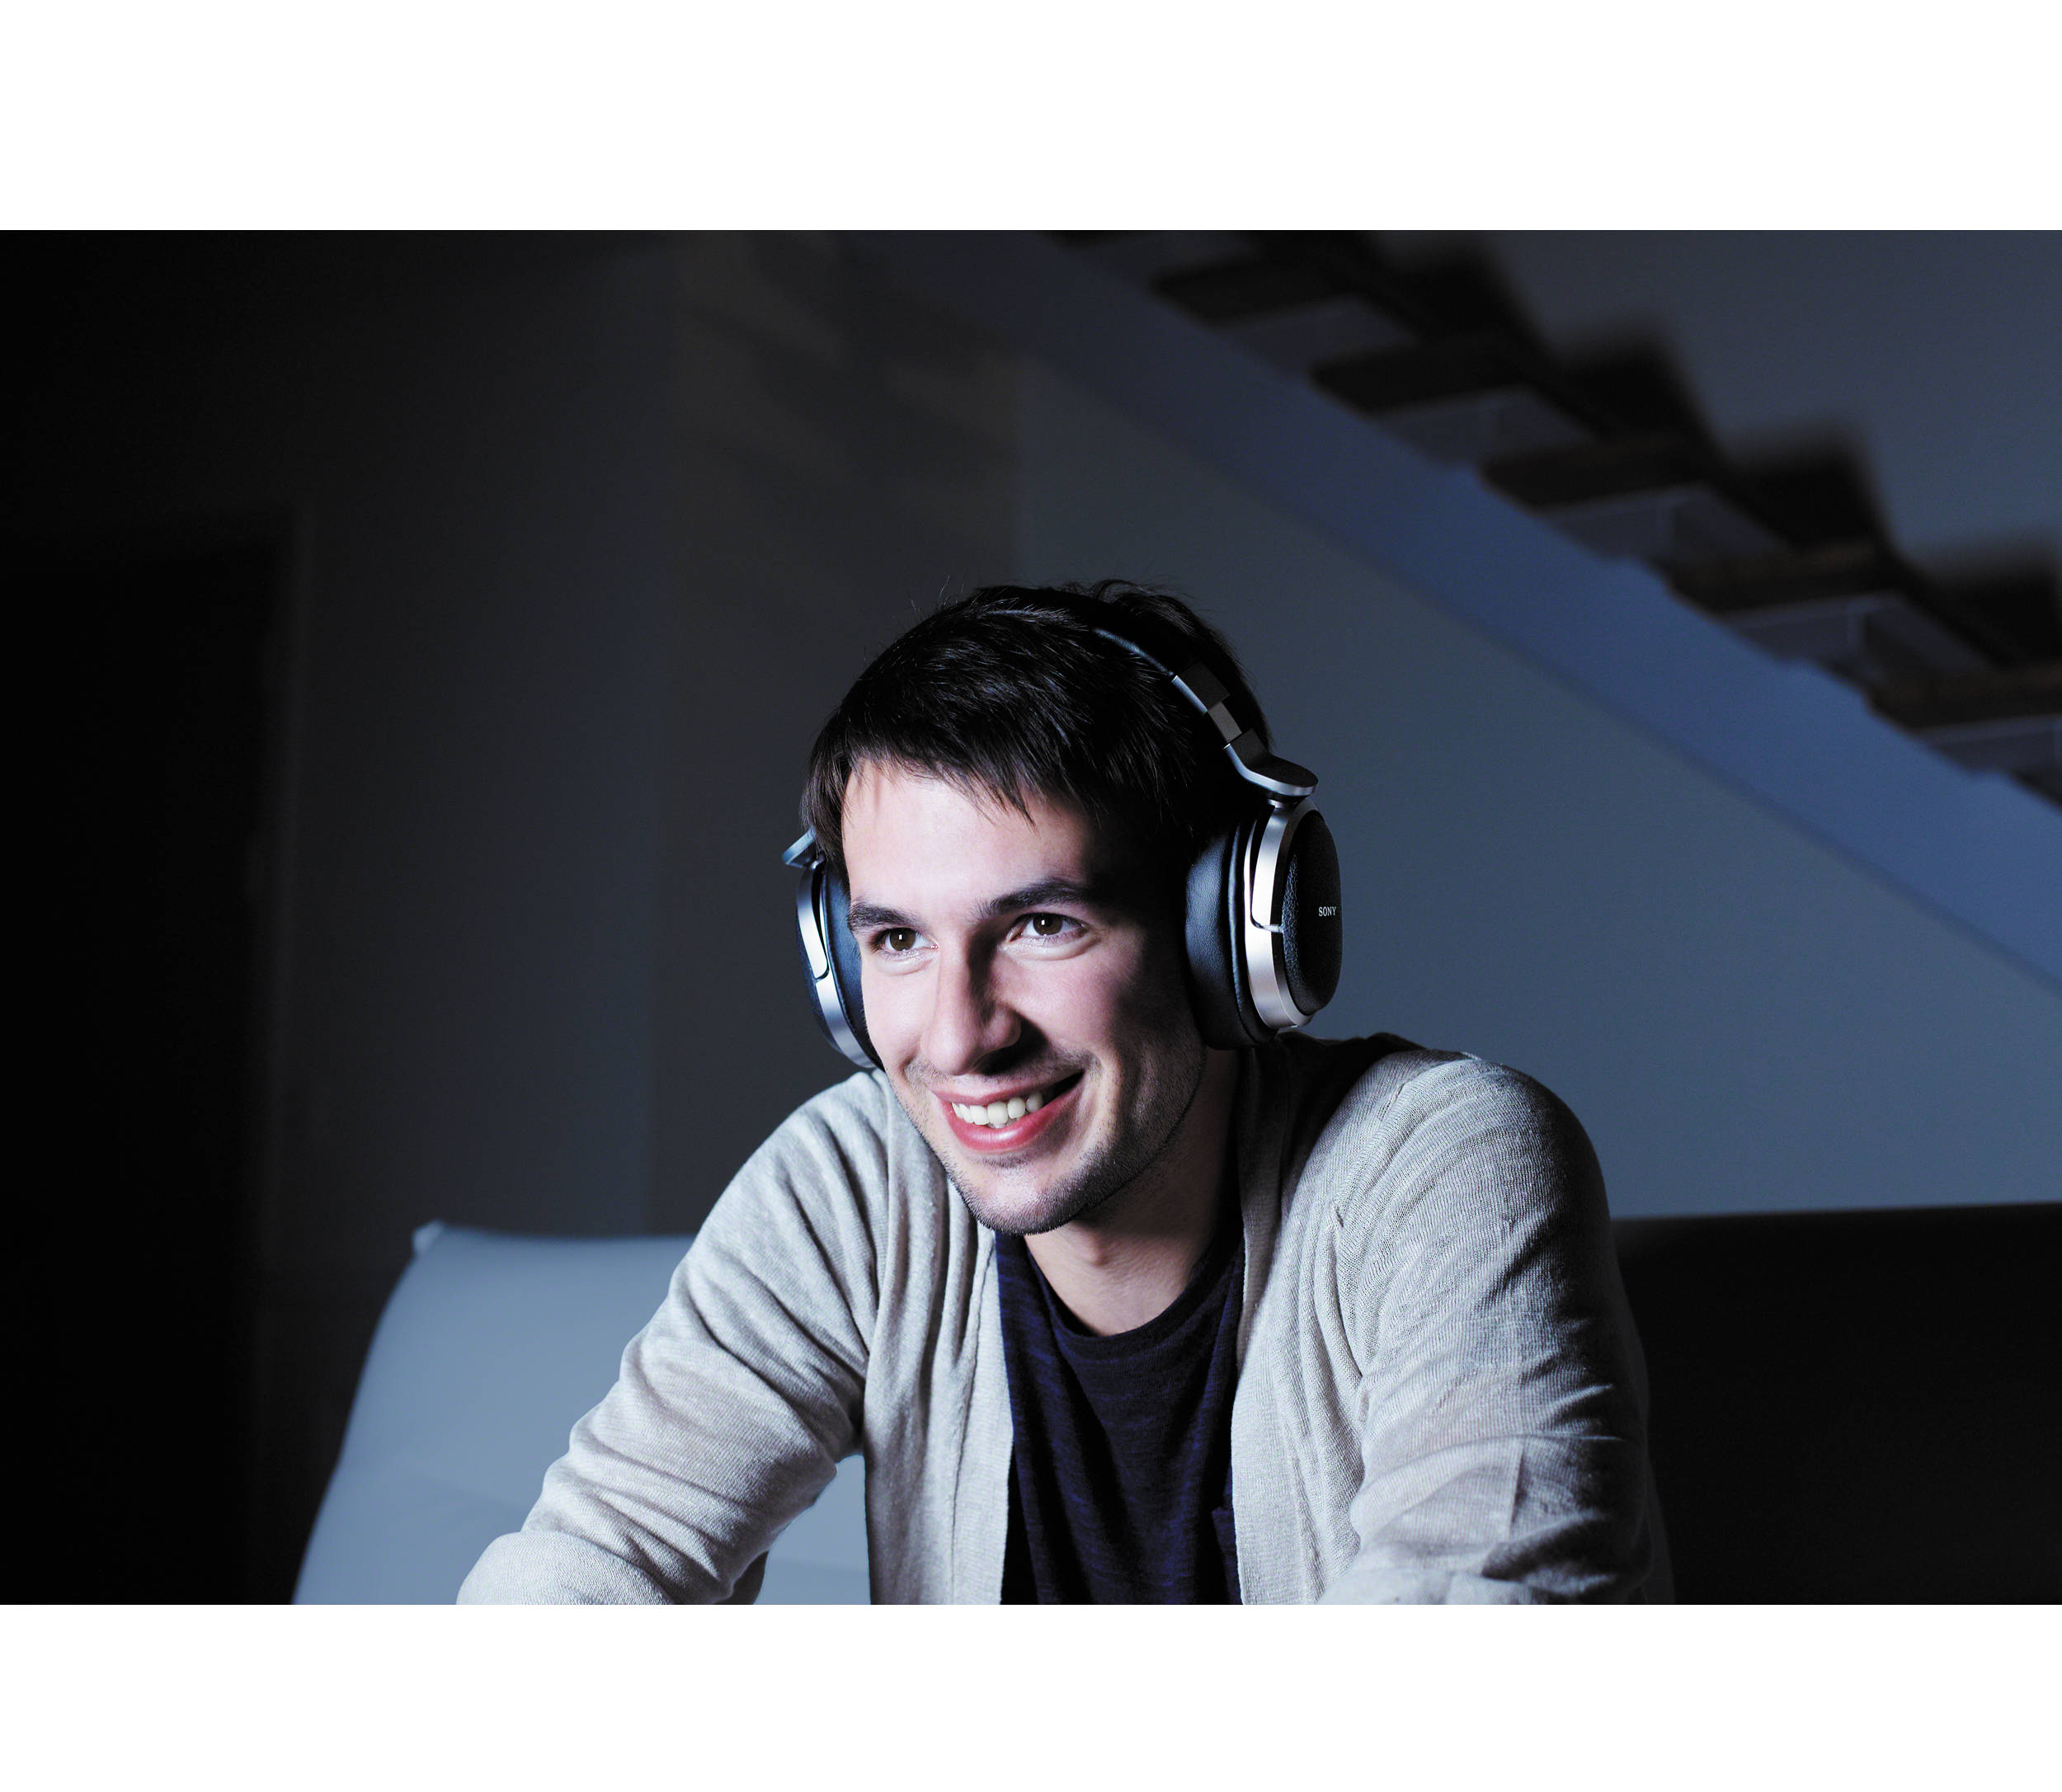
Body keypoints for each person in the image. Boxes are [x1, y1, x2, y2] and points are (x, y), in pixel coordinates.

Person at [459, 582, 1665, 1604]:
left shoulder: (1440, 1169)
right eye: (897, 941)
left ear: (1226, 933)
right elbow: (592, 1562)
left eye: (1042, 924)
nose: (958, 1038)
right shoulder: (854, 1185)